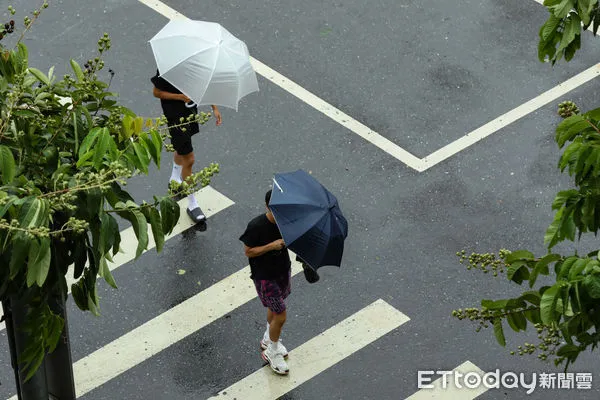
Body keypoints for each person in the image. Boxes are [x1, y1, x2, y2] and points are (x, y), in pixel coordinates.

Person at [151, 69, 222, 223]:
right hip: (175, 116)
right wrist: (180, 97)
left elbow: (203, 85)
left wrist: (214, 107)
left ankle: (174, 177)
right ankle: (192, 204)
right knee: (189, 159)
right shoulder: (167, 69)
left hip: (189, 112)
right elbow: (156, 92)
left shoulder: (193, 65)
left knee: (180, 148)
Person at [239, 189, 291, 375]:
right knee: (281, 314)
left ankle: (268, 338)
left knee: (274, 308)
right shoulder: (256, 226)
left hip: (282, 270)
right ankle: (272, 351)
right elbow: (248, 251)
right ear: (267, 207)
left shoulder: (286, 221)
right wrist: (272, 246)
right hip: (265, 277)